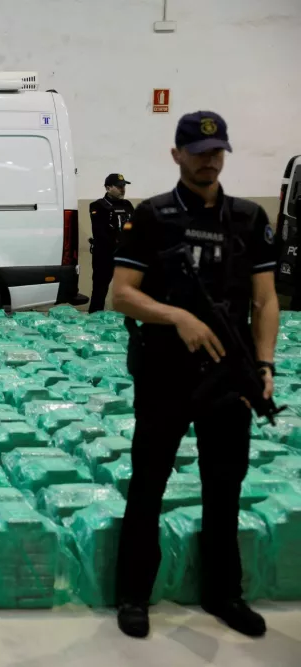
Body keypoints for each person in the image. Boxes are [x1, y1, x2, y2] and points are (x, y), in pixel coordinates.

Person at [112, 112, 278, 639]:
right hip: (165, 373)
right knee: (149, 484)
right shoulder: (152, 217)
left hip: (229, 375)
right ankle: (134, 595)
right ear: (176, 154)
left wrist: (265, 363)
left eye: (217, 149)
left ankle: (223, 593)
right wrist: (177, 316)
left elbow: (266, 298)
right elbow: (121, 293)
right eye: (199, 149)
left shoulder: (250, 219)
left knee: (224, 486)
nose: (209, 158)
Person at [88, 173, 135, 313]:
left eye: (124, 186)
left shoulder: (127, 205)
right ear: (108, 188)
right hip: (105, 255)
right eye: (119, 186)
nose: (123, 189)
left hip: (125, 256)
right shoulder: (98, 206)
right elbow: (100, 232)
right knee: (100, 289)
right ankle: (95, 319)